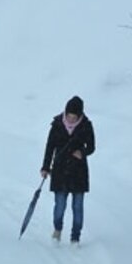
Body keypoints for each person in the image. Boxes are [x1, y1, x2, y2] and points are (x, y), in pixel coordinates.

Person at [40, 96, 95, 244]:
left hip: (79, 172)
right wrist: (45, 167)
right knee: (59, 205)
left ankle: (75, 237)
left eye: (74, 117)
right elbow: (49, 147)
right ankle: (57, 229)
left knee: (77, 207)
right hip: (60, 170)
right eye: (69, 116)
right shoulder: (57, 124)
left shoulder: (86, 126)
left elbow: (91, 147)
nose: (70, 119)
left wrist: (82, 152)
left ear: (80, 116)